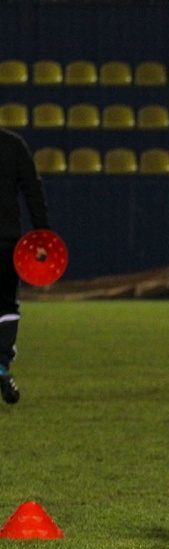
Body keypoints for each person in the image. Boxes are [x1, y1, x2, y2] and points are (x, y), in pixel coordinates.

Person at [0, 128, 51, 405]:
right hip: (7, 240)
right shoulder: (13, 145)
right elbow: (32, 190)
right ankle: (2, 365)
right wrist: (42, 234)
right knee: (7, 304)